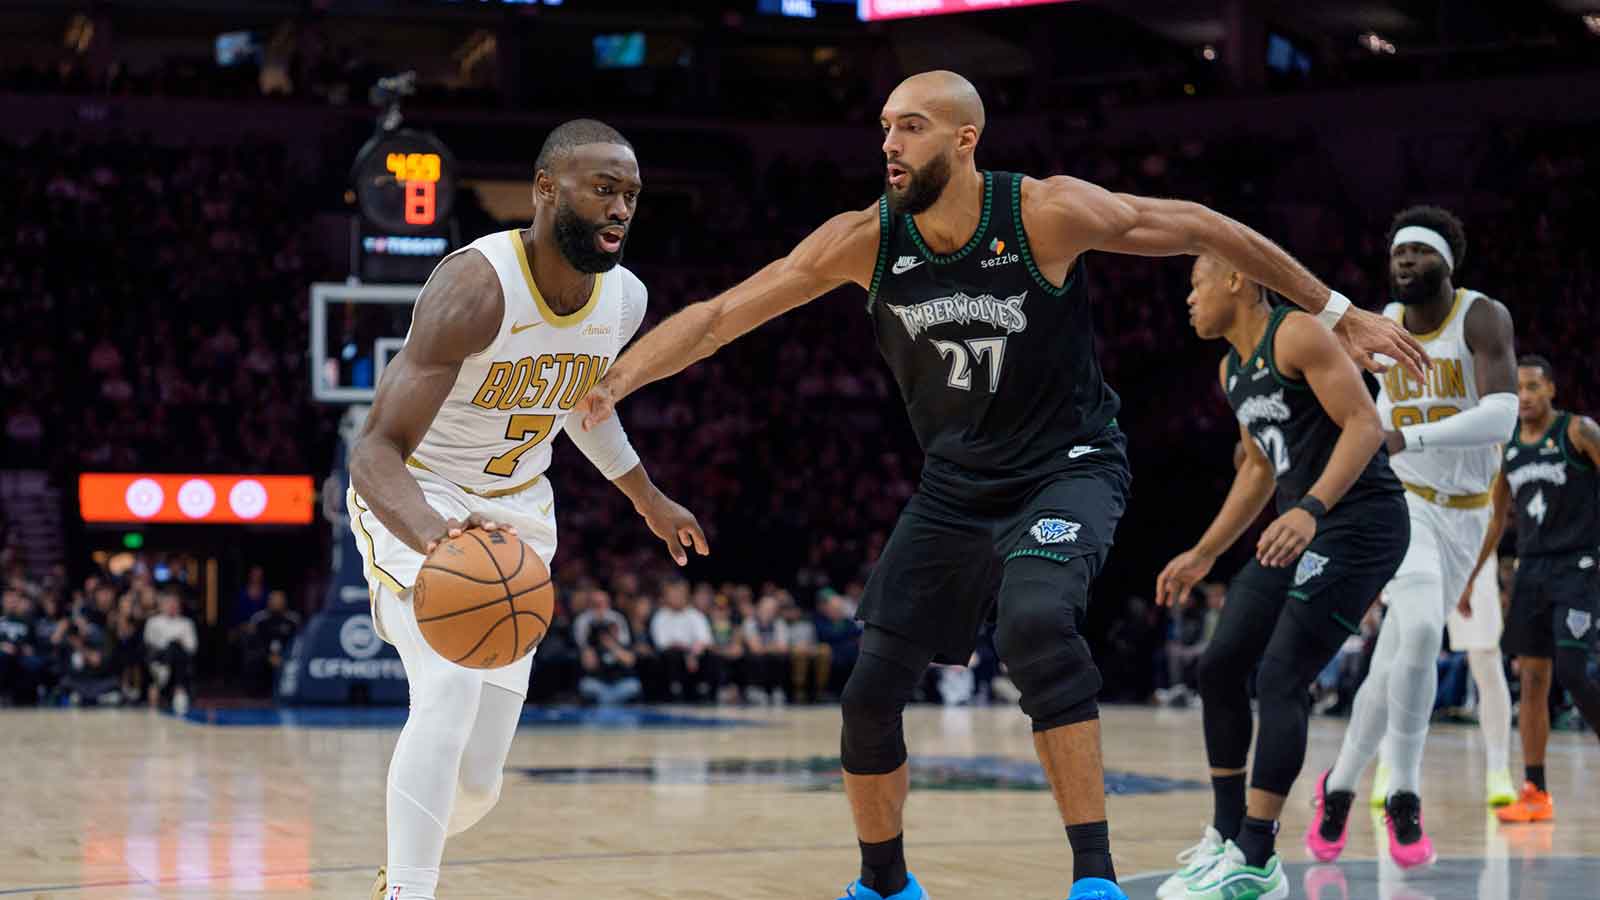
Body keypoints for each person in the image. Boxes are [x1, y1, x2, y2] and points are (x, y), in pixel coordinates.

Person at [575, 70, 1425, 900]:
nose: (888, 145)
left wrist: (1337, 308)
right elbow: (721, 316)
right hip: (955, 487)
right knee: (869, 693)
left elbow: (1202, 222)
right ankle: (885, 884)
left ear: (965, 138)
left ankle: (1094, 879)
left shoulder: (1044, 214)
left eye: (910, 126)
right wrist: (620, 378)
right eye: (883, 128)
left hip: (1070, 467)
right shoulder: (865, 240)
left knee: (1036, 624)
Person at [346, 119, 708, 900]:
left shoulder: (625, 299)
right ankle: (409, 891)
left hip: (518, 518)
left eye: (632, 195)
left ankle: (405, 853)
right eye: (603, 189)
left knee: (477, 785)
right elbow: (373, 449)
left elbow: (583, 405)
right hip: (422, 494)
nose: (621, 208)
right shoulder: (476, 287)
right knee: (442, 689)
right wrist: (437, 537)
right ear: (546, 190)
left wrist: (645, 495)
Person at [1154, 257, 1408, 899]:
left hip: (1360, 523)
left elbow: (1365, 425)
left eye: (1196, 283)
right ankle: (1227, 833)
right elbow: (1260, 470)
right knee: (1219, 666)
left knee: (1281, 675)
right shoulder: (1231, 368)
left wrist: (1310, 508)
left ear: (1237, 281)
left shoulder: (1294, 333)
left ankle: (1259, 859)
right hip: (1302, 523)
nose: (1189, 298)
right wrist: (1205, 552)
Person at [1306, 206, 1519, 870]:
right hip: (1402, 503)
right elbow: (1327, 391)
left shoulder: (1482, 318)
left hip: (1466, 514)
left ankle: (1339, 787)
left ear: (1446, 266)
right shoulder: (1380, 327)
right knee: (1422, 630)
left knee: (1400, 651)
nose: (1402, 262)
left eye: (1417, 254)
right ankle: (1403, 790)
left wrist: (1412, 432)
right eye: (1396, 252)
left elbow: (1502, 417)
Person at [1461, 354, 1600, 824]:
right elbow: (1496, 520)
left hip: (1580, 565)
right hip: (1532, 572)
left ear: (1552, 390)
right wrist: (1470, 576)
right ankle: (1536, 791)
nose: (1524, 396)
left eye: (1533, 387)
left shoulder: (1578, 432)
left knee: (1575, 670)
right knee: (1532, 679)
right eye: (1517, 388)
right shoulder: (1509, 448)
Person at [143, 589, 196, 714]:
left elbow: (192, 647)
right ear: (162, 605)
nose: (172, 606)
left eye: (174, 603)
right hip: (158, 657)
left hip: (179, 659)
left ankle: (174, 685)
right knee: (171, 646)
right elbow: (149, 641)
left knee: (176, 648)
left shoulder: (186, 623)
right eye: (168, 603)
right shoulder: (153, 621)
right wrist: (171, 642)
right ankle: (178, 689)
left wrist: (176, 642)